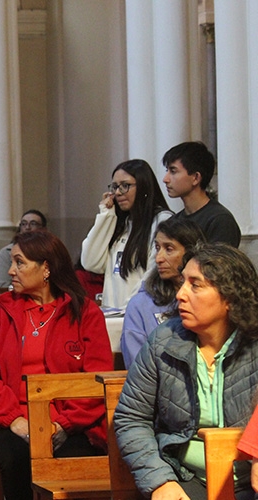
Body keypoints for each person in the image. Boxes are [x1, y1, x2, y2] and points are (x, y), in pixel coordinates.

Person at [0, 230, 112, 500]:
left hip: (72, 423)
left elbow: (97, 378)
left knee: (76, 462)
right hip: (13, 421)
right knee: (17, 457)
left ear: (46, 267)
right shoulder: (2, 311)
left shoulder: (85, 312)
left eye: (20, 262)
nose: (11, 270)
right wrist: (14, 420)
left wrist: (63, 424)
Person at [114, 243, 258, 500]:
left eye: (196, 284)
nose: (180, 294)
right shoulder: (164, 341)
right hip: (184, 478)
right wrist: (160, 481)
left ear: (230, 297)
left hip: (251, 481)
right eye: (182, 283)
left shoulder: (255, 343)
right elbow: (131, 418)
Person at [81, 159, 172, 310]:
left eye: (125, 186)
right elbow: (90, 262)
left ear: (143, 186)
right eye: (115, 187)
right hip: (116, 317)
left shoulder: (162, 221)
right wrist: (106, 215)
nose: (117, 192)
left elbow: (153, 274)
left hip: (140, 315)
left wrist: (129, 310)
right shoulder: (120, 223)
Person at [120, 219, 206, 368]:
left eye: (169, 249)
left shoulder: (210, 297)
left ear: (191, 252)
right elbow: (137, 368)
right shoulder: (141, 305)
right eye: (157, 248)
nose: (159, 258)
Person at [162, 141, 241, 247]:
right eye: (167, 171)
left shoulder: (220, 220)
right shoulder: (173, 222)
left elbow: (219, 262)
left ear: (196, 178)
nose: (165, 179)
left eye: (173, 171)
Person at [0, 209, 47, 288]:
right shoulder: (7, 252)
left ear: (43, 228)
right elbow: (2, 285)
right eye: (24, 224)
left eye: (33, 223)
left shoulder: (49, 250)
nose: (27, 227)